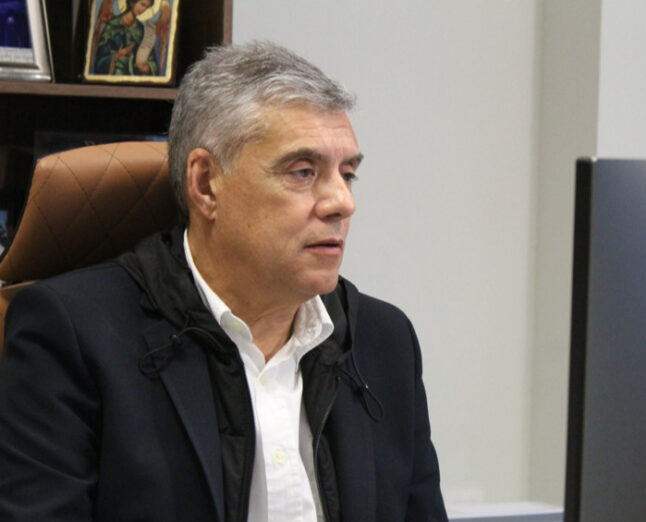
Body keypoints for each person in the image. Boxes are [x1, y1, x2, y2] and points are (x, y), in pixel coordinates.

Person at [0, 41, 447, 521]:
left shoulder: (384, 342)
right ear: (206, 183)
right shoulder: (72, 335)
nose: (342, 202)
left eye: (347, 174)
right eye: (303, 172)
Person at [93, 0, 158, 76]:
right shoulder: (112, 25)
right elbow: (100, 60)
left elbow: (151, 58)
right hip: (115, 73)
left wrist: (147, 67)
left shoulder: (141, 29)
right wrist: (116, 56)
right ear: (133, 2)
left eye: (147, 7)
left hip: (133, 76)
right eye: (142, 4)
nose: (143, 9)